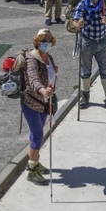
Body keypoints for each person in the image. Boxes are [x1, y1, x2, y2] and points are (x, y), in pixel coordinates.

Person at [21, 28, 59, 185]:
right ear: (37, 42)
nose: (46, 43)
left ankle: (34, 161)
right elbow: (33, 80)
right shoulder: (32, 59)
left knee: (36, 134)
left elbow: (51, 74)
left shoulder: (48, 57)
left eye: (49, 40)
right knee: (37, 135)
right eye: (43, 41)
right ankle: (32, 171)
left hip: (44, 103)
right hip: (31, 103)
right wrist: (44, 91)